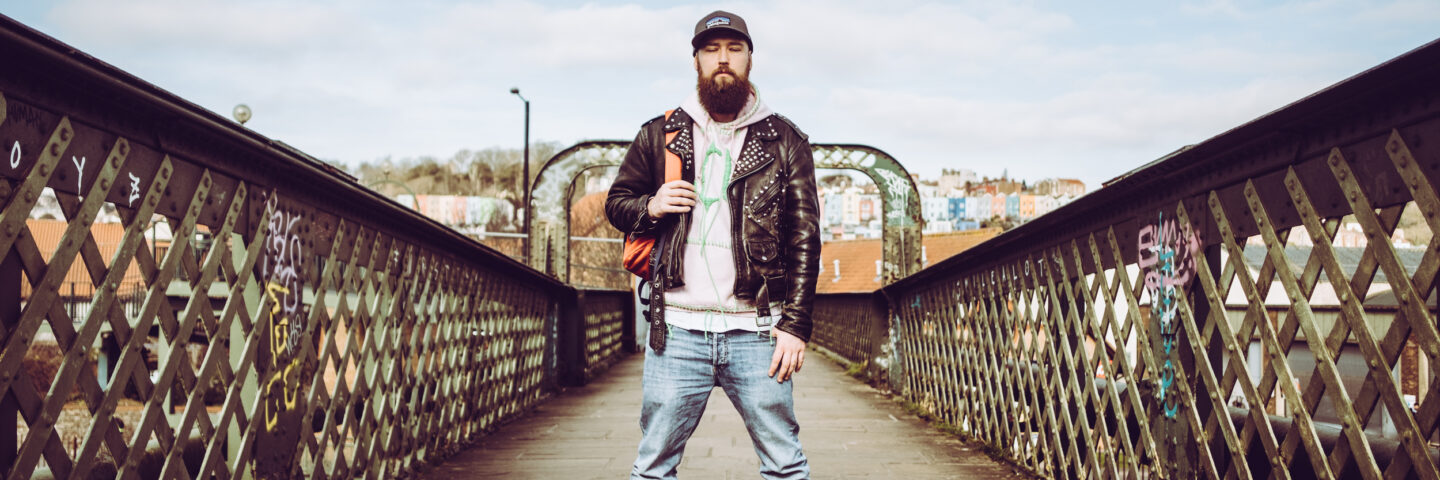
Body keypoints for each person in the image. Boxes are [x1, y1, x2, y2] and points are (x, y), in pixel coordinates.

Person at [605, 9, 820, 480]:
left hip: (759, 331)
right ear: (697, 60)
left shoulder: (785, 140)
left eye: (734, 49)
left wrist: (796, 325)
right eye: (711, 50)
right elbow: (616, 203)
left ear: (749, 60)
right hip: (676, 329)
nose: (723, 59)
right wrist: (652, 206)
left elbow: (805, 237)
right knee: (653, 467)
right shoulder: (660, 134)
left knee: (785, 465)